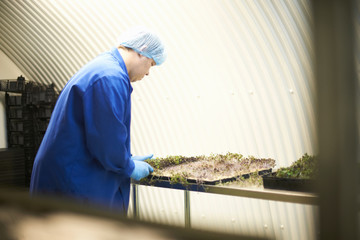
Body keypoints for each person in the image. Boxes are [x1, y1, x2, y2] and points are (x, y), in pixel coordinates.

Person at [29, 26, 166, 213]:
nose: (149, 72)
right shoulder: (110, 78)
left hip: (70, 170)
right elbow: (107, 140)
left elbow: (98, 129)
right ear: (141, 51)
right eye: (151, 63)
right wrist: (127, 165)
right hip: (73, 179)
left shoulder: (105, 67)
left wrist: (126, 157)